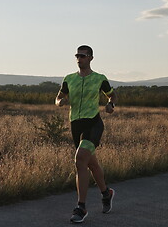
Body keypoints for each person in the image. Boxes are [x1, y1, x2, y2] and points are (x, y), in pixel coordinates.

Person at [55, 45, 118, 223]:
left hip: (93, 123)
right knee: (91, 164)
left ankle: (80, 208)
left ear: (90, 58)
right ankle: (106, 193)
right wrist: (60, 101)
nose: (79, 58)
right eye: (77, 55)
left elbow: (112, 96)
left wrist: (110, 105)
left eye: (82, 56)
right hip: (76, 125)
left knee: (80, 159)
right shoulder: (68, 79)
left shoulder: (99, 79)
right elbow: (58, 97)